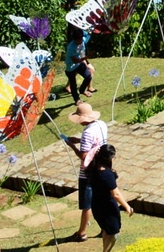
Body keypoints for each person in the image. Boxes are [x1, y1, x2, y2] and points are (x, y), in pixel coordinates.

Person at [63, 102, 107, 241]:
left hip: (88, 172)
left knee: (87, 204)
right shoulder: (101, 124)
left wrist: (72, 146)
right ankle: (105, 228)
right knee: (100, 199)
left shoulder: (87, 132)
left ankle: (82, 232)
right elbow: (97, 142)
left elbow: (84, 156)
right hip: (102, 166)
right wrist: (79, 140)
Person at [84, 145, 132, 252]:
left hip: (97, 206)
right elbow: (116, 194)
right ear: (110, 159)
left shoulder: (94, 169)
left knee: (106, 231)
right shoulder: (107, 174)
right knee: (114, 233)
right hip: (107, 208)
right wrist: (127, 207)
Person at [65, 24, 94, 102]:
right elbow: (75, 61)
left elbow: (87, 35)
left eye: (80, 39)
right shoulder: (71, 47)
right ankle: (77, 99)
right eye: (77, 40)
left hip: (79, 64)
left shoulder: (83, 40)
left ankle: (82, 90)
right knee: (73, 85)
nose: (80, 42)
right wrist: (86, 57)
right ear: (74, 39)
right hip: (70, 68)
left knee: (88, 76)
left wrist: (90, 30)